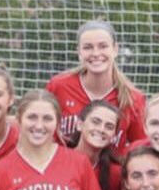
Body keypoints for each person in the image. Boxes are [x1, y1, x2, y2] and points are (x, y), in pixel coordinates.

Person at [46, 20, 146, 150]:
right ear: (79, 52)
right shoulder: (58, 86)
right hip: (64, 168)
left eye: (103, 46)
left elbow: (141, 148)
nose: (96, 53)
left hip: (108, 169)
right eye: (88, 47)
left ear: (115, 49)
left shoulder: (133, 99)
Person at [70, 100, 124, 190]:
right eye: (95, 122)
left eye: (109, 127)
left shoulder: (116, 174)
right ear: (80, 124)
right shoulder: (58, 159)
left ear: (114, 136)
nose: (101, 129)